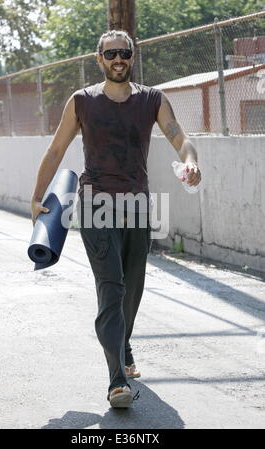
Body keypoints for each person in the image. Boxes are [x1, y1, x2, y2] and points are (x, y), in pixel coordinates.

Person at [31, 30, 201, 408]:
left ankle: (123, 345)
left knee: (133, 288)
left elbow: (179, 137)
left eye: (124, 53)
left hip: (138, 206)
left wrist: (191, 161)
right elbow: (56, 149)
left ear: (133, 56)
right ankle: (117, 382)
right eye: (111, 54)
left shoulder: (152, 99)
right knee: (111, 287)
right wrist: (36, 196)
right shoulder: (82, 102)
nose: (118, 59)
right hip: (95, 206)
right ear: (99, 59)